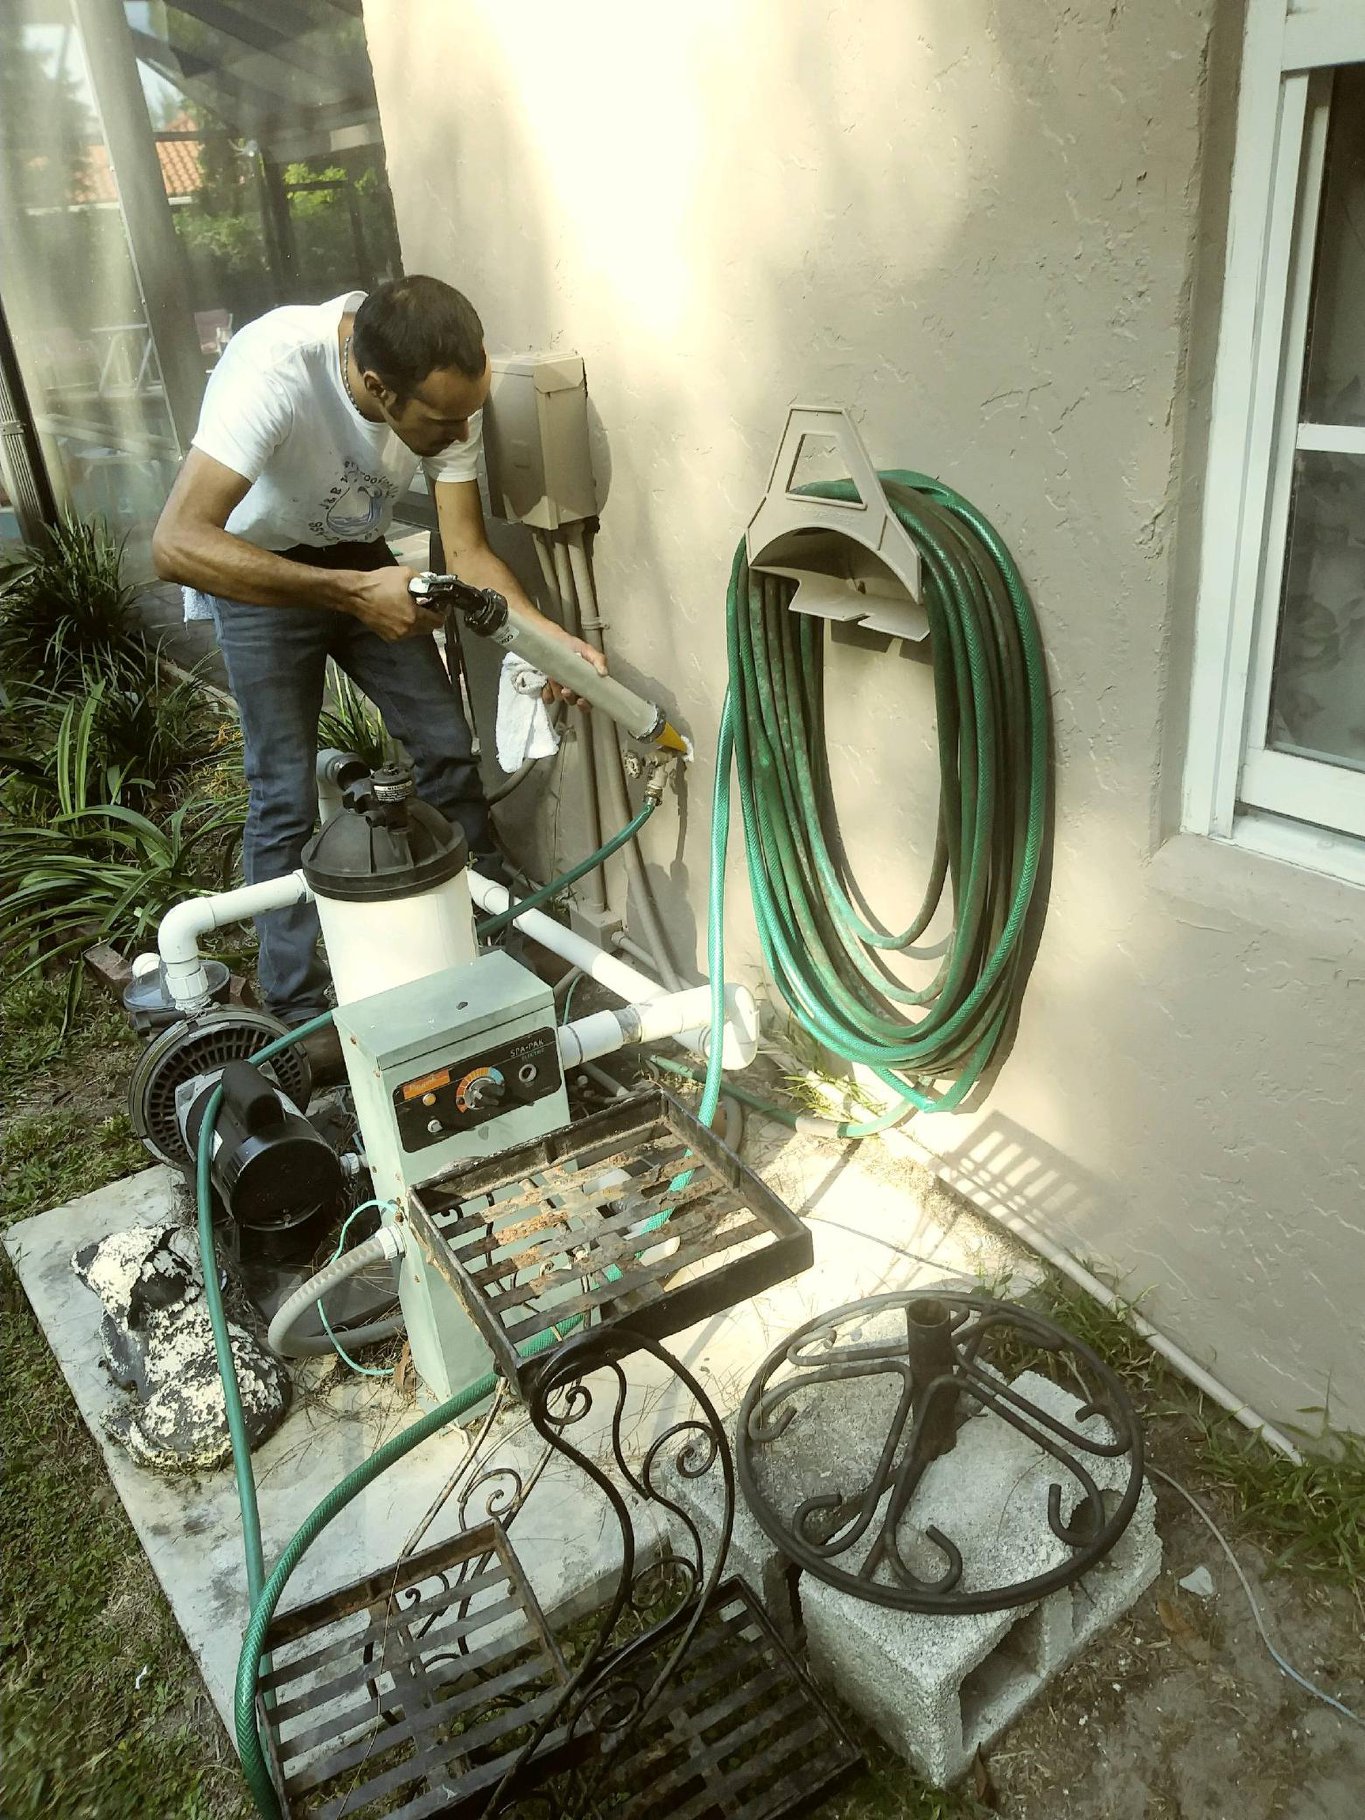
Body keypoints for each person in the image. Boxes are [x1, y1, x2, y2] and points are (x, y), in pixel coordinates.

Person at [152, 275, 602, 1046]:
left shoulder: (442, 388)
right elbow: (177, 543)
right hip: (254, 568)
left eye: (469, 410)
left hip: (356, 556)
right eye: (440, 420)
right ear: (373, 385)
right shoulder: (274, 368)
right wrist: (353, 593)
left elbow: (465, 550)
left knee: (444, 749)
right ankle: (293, 1007)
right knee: (283, 792)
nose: (459, 430)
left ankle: (487, 940)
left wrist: (543, 637)